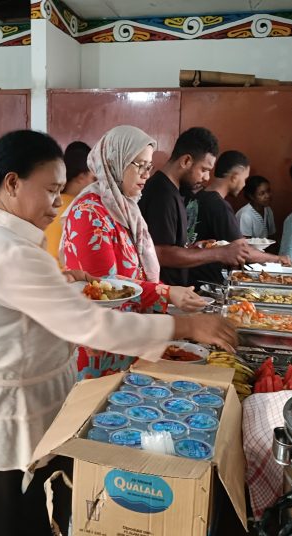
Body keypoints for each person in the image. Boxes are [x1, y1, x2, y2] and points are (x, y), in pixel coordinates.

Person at [0, 129, 236, 536]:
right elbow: (88, 323)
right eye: (51, 191)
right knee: (9, 521)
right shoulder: (10, 251)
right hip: (9, 415)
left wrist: (61, 283)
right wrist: (184, 325)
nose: (57, 203)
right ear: (12, 183)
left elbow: (18, 303)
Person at [62, 125, 208, 379]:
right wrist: (166, 293)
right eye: (139, 165)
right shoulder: (89, 212)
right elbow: (104, 286)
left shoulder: (125, 207)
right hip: (101, 347)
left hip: (129, 339)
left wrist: (172, 297)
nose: (146, 174)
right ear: (115, 162)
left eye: (149, 166)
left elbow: (137, 272)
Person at [139, 127, 253, 286]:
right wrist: (219, 253)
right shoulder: (162, 194)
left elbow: (170, 246)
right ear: (186, 161)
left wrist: (194, 249)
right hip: (162, 292)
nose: (206, 178)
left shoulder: (173, 190)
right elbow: (160, 253)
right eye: (204, 170)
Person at [190, 151, 290, 285]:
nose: (244, 185)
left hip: (189, 277)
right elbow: (243, 250)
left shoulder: (197, 197)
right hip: (204, 282)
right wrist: (277, 259)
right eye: (244, 179)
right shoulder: (219, 206)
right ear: (235, 177)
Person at [44, 141, 95, 261]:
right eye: (94, 179)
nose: (98, 185)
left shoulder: (47, 204)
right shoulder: (81, 209)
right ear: (81, 177)